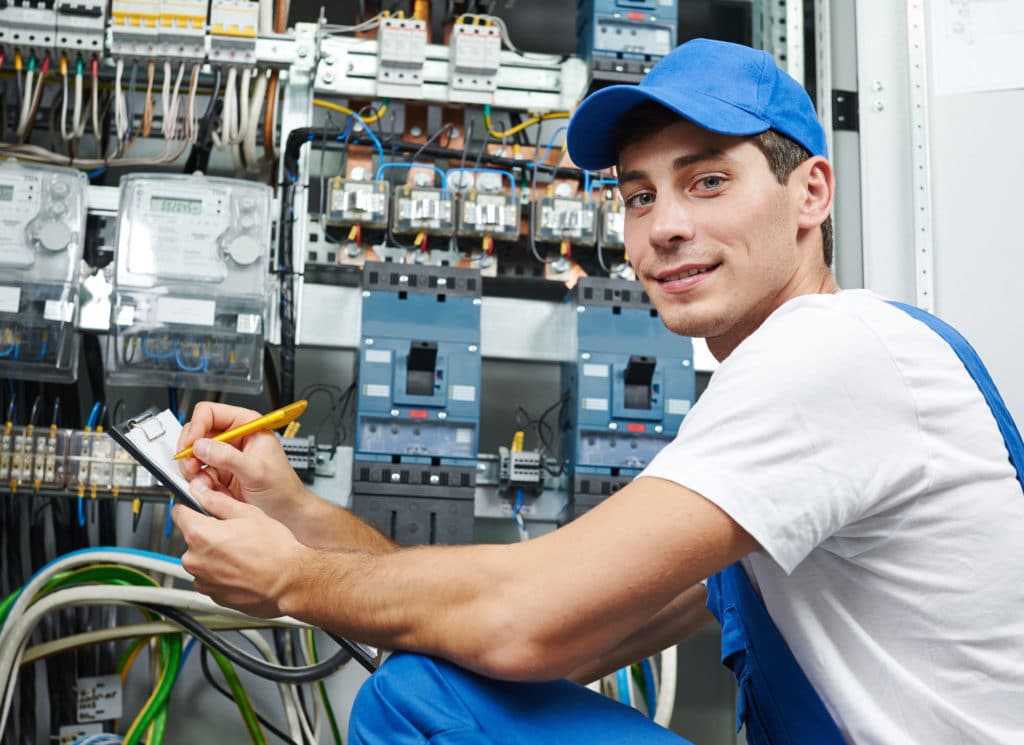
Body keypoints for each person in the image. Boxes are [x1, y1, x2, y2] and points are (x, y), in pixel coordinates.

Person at [172, 38, 1024, 744]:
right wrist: (298, 515)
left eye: (708, 181)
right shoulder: (788, 413)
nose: (665, 226)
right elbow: (536, 637)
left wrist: (290, 581)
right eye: (640, 196)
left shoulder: (831, 352)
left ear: (812, 193)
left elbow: (519, 619)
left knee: (416, 701)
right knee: (438, 678)